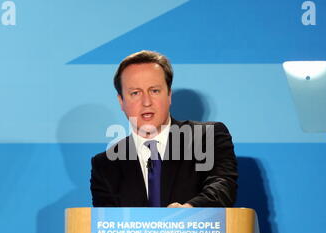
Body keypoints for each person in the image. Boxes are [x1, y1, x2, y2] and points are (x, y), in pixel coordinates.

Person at [90, 50, 238, 208]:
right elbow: (106, 223)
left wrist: (189, 211)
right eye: (135, 93)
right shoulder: (106, 164)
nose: (146, 102)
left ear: (169, 95)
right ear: (121, 102)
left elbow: (222, 188)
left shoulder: (207, 138)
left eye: (154, 91)